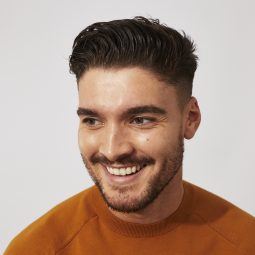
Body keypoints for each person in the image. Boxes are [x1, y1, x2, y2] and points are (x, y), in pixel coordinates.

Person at [4, 16, 254, 255]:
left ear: (190, 119)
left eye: (140, 120)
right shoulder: (36, 249)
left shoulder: (245, 243)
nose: (112, 150)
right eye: (92, 120)